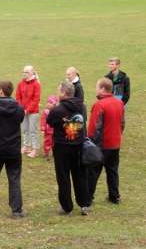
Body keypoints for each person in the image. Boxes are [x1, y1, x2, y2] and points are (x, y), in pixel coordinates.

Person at [0, 80, 27, 219]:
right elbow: (19, 120)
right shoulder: (19, 109)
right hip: (13, 150)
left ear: (1, 91)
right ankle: (16, 210)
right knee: (14, 180)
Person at [46, 81, 92, 216]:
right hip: (78, 145)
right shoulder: (81, 107)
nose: (57, 92)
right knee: (80, 175)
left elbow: (50, 122)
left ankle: (67, 207)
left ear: (63, 93)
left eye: (58, 90)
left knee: (63, 177)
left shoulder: (57, 110)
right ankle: (84, 204)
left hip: (62, 147)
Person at [87, 78, 124, 205]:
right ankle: (115, 196)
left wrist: (89, 142)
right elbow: (122, 123)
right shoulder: (119, 103)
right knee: (112, 170)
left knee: (93, 171)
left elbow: (94, 127)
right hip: (115, 143)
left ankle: (89, 197)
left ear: (103, 89)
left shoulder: (99, 105)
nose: (95, 89)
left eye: (97, 86)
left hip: (102, 144)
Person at [16, 65, 41, 158]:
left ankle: (35, 148)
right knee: (25, 129)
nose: (24, 74)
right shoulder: (20, 83)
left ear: (31, 73)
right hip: (23, 111)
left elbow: (36, 99)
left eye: (26, 72)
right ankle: (26, 146)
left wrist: (28, 110)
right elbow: (18, 96)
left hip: (33, 111)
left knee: (33, 130)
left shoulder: (36, 84)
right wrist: (21, 108)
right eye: (23, 72)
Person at [105, 57, 130, 129]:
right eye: (109, 64)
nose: (110, 66)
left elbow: (127, 94)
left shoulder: (125, 79)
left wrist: (121, 104)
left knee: (120, 123)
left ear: (118, 65)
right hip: (109, 104)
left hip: (120, 105)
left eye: (112, 64)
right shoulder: (107, 78)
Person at [41, 95, 58, 161]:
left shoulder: (57, 111)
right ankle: (46, 153)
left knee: (55, 142)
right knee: (48, 141)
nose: (48, 104)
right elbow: (43, 120)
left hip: (55, 130)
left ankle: (55, 153)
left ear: (54, 104)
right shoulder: (46, 111)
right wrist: (43, 128)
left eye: (50, 103)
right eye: (48, 102)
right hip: (48, 130)